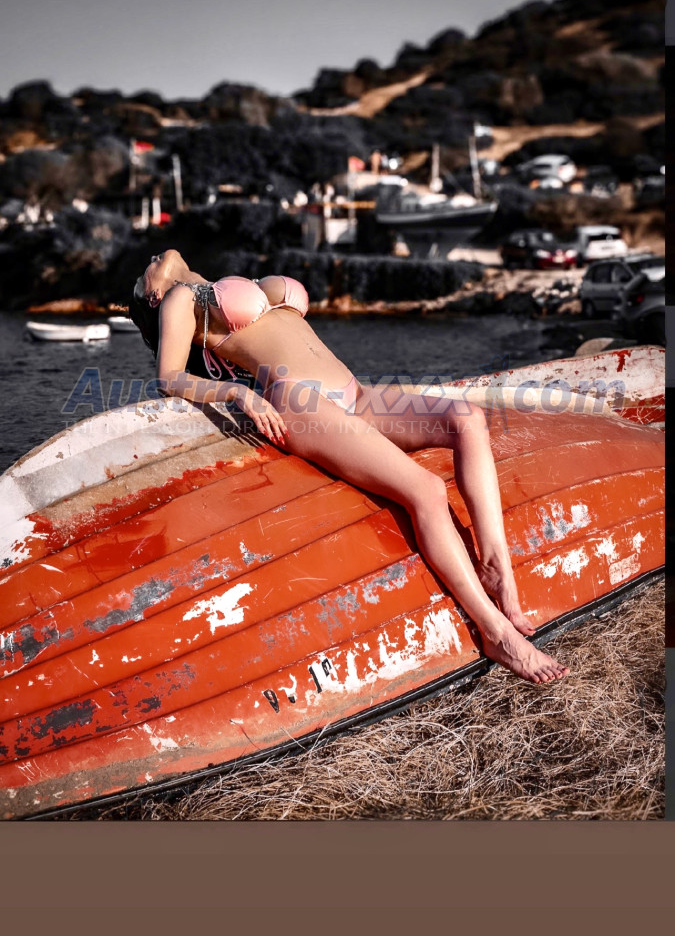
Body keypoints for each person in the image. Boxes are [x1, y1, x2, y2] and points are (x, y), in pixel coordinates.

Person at [130, 249, 568, 684]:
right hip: (300, 402)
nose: (152, 257)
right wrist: (237, 393)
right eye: (144, 271)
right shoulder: (179, 299)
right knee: (426, 490)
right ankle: (496, 633)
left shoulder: (216, 285)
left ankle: (495, 566)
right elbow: (168, 377)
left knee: (468, 419)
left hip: (356, 393)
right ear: (152, 295)